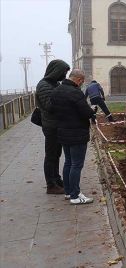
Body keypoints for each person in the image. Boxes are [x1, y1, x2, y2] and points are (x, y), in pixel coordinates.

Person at [51, 69, 96, 205]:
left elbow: (52, 109)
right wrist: (92, 111)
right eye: (81, 81)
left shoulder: (56, 90)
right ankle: (75, 196)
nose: (81, 84)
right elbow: (85, 112)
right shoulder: (75, 93)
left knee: (68, 162)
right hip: (77, 133)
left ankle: (68, 191)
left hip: (63, 132)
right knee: (76, 164)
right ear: (79, 80)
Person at [35, 59, 70, 194]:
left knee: (56, 154)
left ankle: (56, 179)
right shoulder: (44, 85)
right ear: (56, 71)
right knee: (51, 155)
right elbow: (50, 106)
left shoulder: (54, 84)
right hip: (51, 126)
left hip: (57, 125)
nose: (64, 76)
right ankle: (51, 184)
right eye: (63, 72)